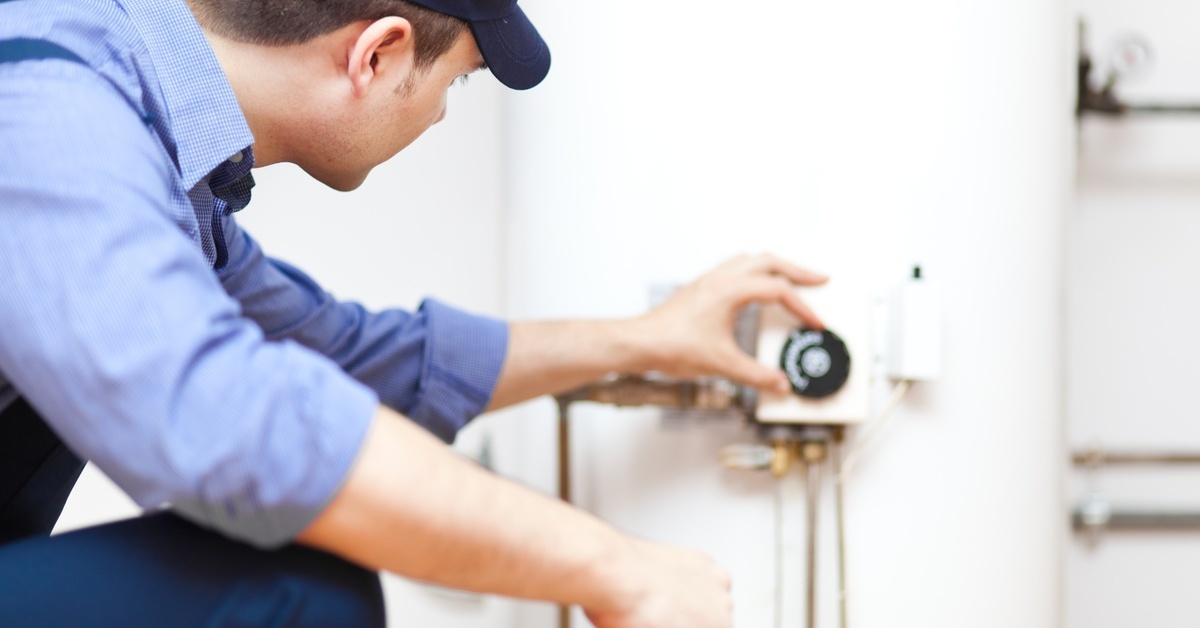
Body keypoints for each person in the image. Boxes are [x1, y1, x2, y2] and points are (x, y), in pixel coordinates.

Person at [0, 0, 828, 625]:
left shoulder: (160, 157)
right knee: (296, 590)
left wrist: (646, 341)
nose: (439, 112)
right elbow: (233, 424)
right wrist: (616, 566)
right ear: (378, 53)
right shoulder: (48, 102)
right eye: (456, 80)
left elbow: (350, 359)